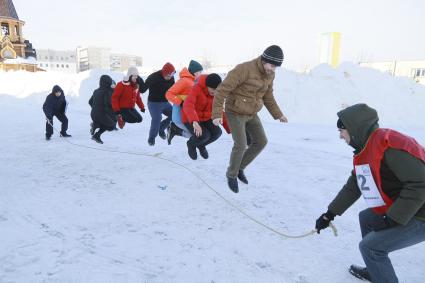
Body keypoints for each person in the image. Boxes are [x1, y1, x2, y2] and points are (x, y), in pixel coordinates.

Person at [315, 103, 425, 283]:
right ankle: (376, 271)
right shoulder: (366, 148)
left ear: (354, 129)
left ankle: (379, 268)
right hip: (413, 206)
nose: (340, 136)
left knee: (371, 248)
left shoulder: (389, 146)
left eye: (341, 130)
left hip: (422, 213)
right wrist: (329, 214)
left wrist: (393, 218)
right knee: (367, 218)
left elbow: (420, 184)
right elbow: (354, 185)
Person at [211, 45, 288, 193]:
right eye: (272, 65)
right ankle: (231, 174)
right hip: (235, 112)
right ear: (264, 60)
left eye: (276, 67)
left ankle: (240, 168)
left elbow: (268, 96)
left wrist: (279, 114)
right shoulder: (244, 69)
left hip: (252, 113)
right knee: (241, 144)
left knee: (261, 141)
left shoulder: (270, 74)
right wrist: (216, 114)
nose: (273, 69)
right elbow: (222, 90)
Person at [182, 73, 223, 160]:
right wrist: (194, 122)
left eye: (217, 90)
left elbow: (220, 108)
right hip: (190, 118)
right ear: (207, 86)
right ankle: (191, 144)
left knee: (217, 133)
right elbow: (187, 104)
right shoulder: (196, 89)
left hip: (205, 118)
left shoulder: (217, 94)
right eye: (213, 89)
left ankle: (201, 145)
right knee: (204, 135)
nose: (215, 92)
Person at [165, 60, 203, 145]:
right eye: (200, 71)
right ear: (195, 72)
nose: (201, 73)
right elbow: (169, 94)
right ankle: (174, 128)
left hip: (187, 114)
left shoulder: (193, 81)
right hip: (179, 115)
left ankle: (175, 130)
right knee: (195, 134)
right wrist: (181, 102)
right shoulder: (184, 81)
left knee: (195, 134)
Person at [138, 62, 175, 146]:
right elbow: (143, 89)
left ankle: (161, 129)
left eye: (171, 75)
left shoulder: (171, 78)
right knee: (157, 118)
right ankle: (152, 137)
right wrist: (138, 79)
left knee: (175, 115)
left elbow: (174, 90)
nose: (170, 77)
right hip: (153, 103)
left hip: (165, 102)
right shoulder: (153, 77)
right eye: (168, 76)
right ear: (164, 73)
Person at [88, 75, 116, 144]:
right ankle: (96, 134)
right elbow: (109, 104)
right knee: (112, 126)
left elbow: (90, 102)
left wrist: (95, 108)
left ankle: (95, 125)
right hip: (101, 114)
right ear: (108, 82)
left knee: (106, 122)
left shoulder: (96, 91)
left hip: (93, 114)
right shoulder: (107, 91)